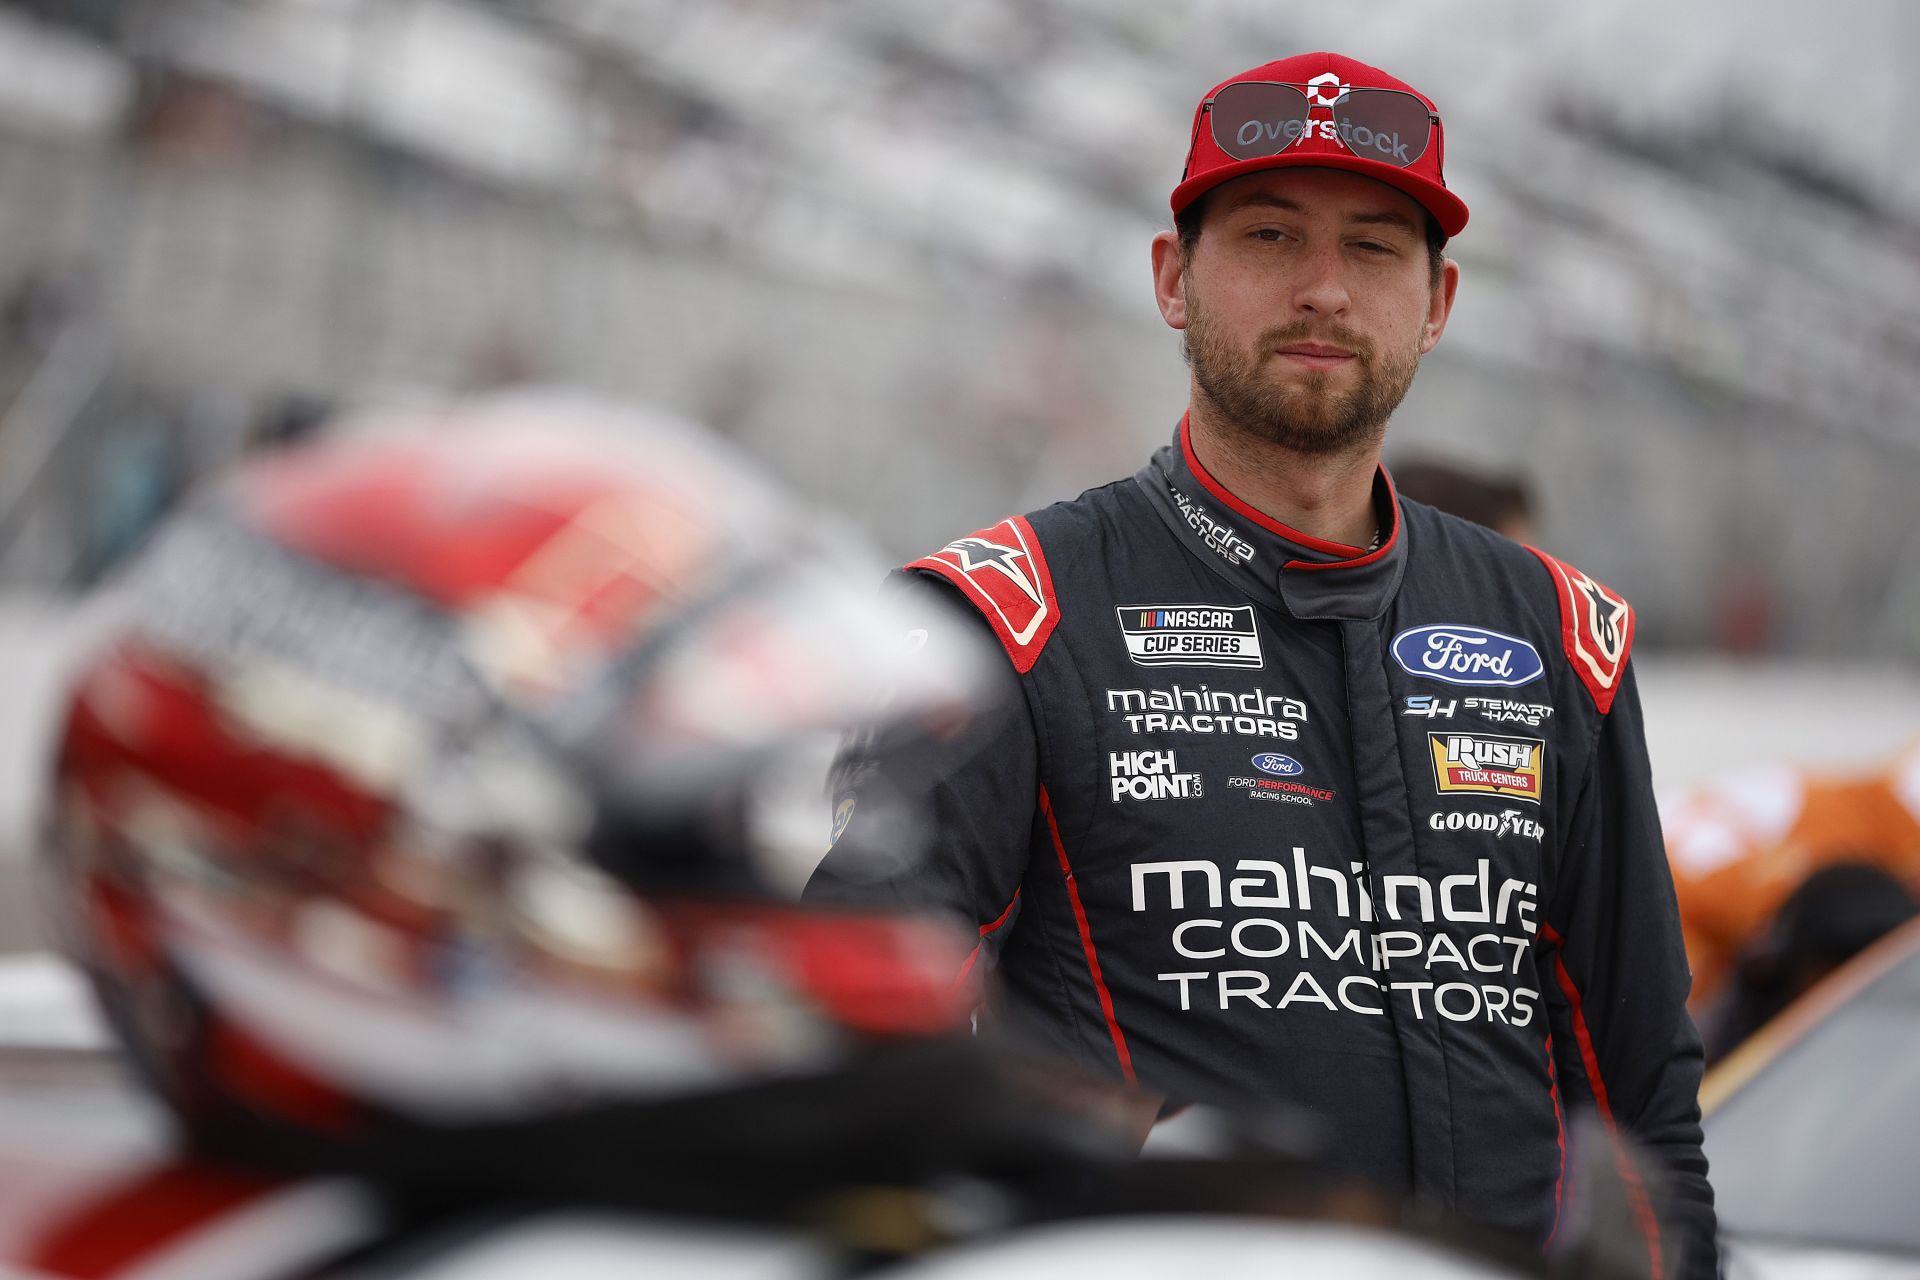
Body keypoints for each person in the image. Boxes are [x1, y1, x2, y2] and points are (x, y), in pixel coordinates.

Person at [813, 51, 1717, 1279]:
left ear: (1439, 301)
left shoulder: (1562, 633)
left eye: (1375, 248)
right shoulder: (1004, 615)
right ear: (1174, 278)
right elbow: (854, 1025)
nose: (1323, 290)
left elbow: (1644, 1094)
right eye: (1271, 235)